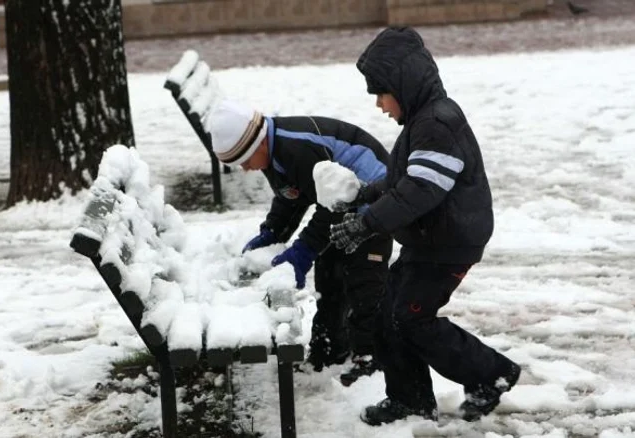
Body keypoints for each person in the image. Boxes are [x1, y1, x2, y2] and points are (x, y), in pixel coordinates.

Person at [329, 27, 521, 425]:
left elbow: (419, 191)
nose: (380, 105)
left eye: (382, 93)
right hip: (427, 241)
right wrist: (366, 194)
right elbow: (403, 179)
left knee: (412, 318)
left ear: (402, 83)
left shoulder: (438, 123)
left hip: (450, 242)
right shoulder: (422, 121)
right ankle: (409, 400)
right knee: (388, 316)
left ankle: (492, 374)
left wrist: (367, 223)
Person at [207, 99, 393, 386]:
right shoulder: (272, 152)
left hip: (375, 204)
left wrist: (303, 250)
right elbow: (291, 196)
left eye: (243, 161)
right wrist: (273, 232)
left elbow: (330, 206)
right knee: (329, 279)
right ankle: (329, 350)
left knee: (363, 284)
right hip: (343, 206)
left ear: (256, 145)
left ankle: (371, 358)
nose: (245, 169)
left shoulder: (296, 149)